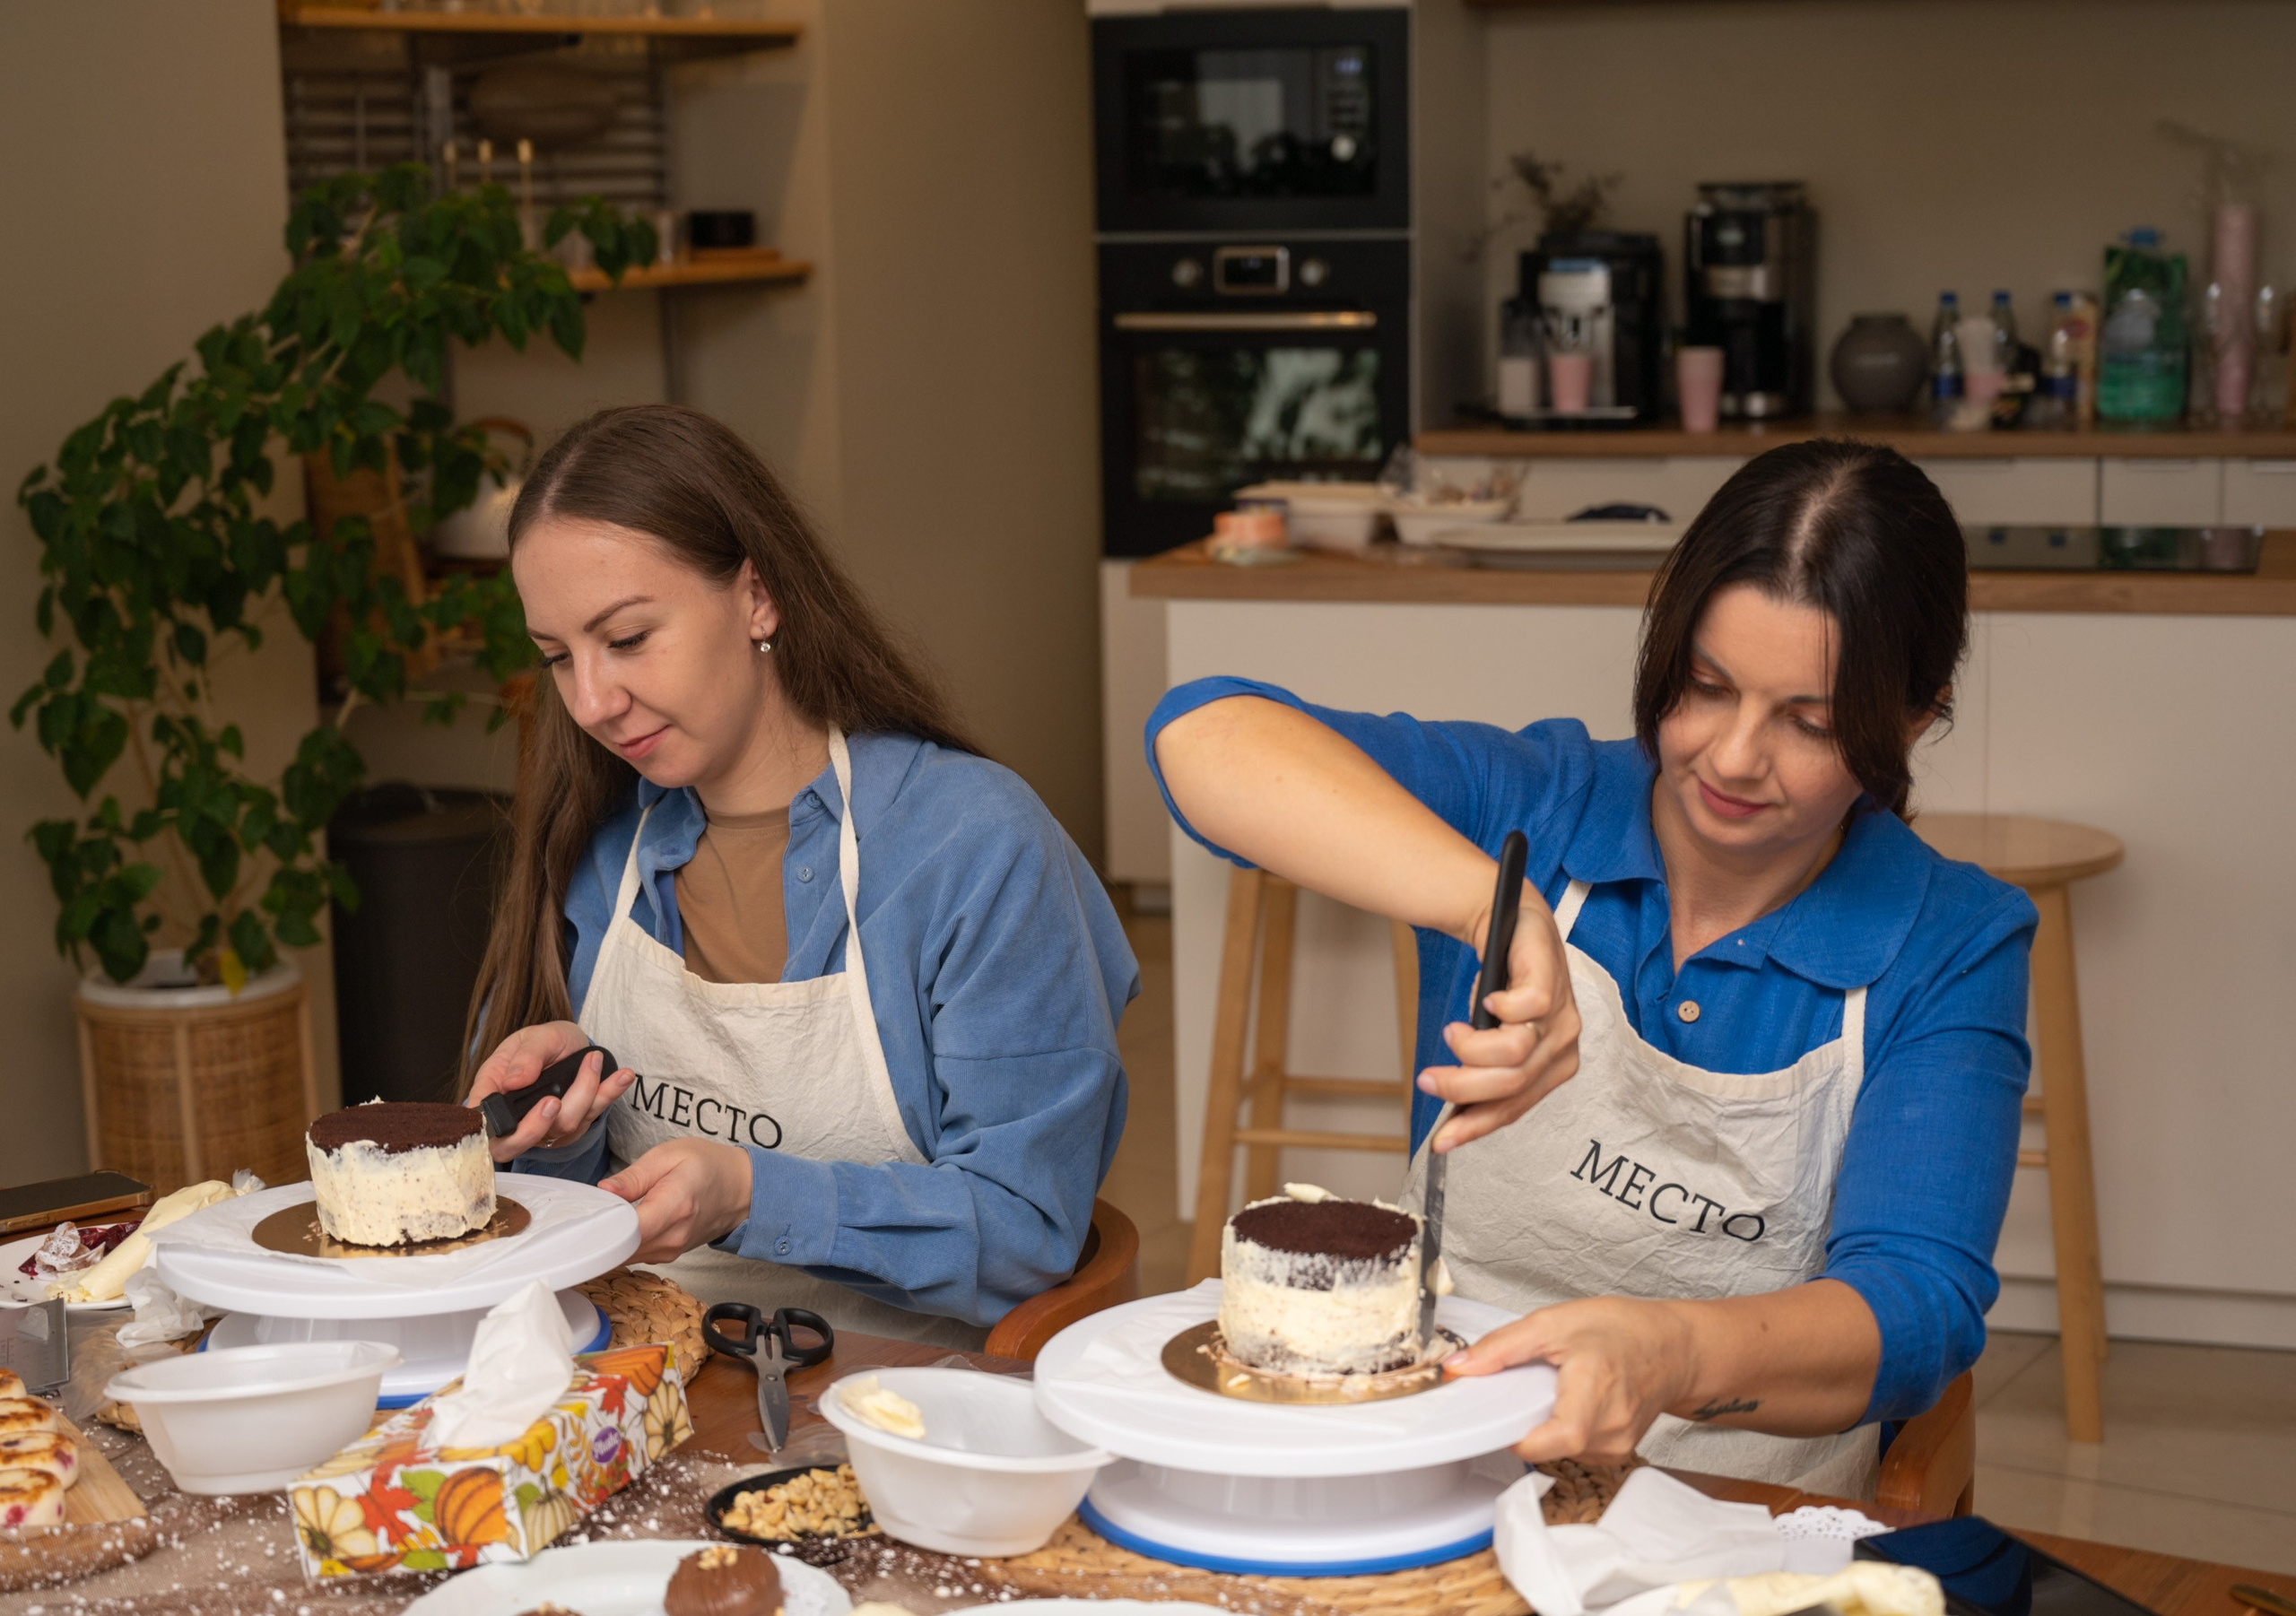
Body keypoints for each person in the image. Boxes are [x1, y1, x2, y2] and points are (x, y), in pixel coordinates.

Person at [1150, 439, 2034, 1494]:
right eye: (1703, 688)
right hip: (1430, 1445)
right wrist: (1488, 897)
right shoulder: (1538, 804)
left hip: (1733, 1501)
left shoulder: (1951, 939)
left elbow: (1915, 1303)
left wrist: (1671, 1354)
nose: (1733, 757)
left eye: (1808, 721)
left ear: (1914, 713)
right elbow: (1201, 732)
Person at [462, 404, 1136, 1349]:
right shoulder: (599, 851)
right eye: (557, 659)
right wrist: (558, 1127)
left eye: (625, 638)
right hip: (623, 1385)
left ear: (757, 596)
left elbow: (1026, 1227)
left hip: (900, 1405)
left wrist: (749, 1191)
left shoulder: (972, 846)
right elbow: (543, 1224)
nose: (591, 702)